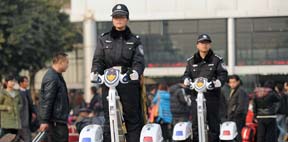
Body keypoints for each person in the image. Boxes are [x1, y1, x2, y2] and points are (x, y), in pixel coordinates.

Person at [90, 4, 145, 142]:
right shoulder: (103, 39)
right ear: (112, 20)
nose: (118, 20)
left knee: (132, 118)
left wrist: (136, 73)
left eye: (121, 17)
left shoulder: (134, 39)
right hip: (108, 82)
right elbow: (98, 60)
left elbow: (139, 61)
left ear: (127, 19)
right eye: (115, 17)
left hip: (127, 81)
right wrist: (95, 72)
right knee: (109, 119)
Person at [182, 34, 228, 142]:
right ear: (197, 45)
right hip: (196, 97)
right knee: (196, 125)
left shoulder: (217, 60)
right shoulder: (191, 61)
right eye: (202, 43)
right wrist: (186, 80)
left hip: (212, 97)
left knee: (213, 124)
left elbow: (223, 75)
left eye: (207, 43)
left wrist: (216, 83)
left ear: (210, 45)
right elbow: (186, 74)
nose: (204, 45)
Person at [39, 52, 70, 142]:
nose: (68, 65)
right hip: (55, 122)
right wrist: (44, 121)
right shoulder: (52, 77)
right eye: (67, 62)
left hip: (58, 121)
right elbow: (47, 101)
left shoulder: (56, 76)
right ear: (60, 62)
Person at [227, 75, 249, 141]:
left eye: (234, 82)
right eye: (230, 82)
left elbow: (241, 105)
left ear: (238, 82)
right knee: (234, 134)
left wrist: (235, 114)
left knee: (238, 134)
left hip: (238, 117)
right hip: (234, 116)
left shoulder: (240, 91)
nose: (232, 84)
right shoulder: (233, 90)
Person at [18, 76, 37, 142]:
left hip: (28, 120)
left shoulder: (27, 92)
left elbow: (31, 105)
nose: (27, 83)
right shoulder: (18, 93)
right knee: (27, 138)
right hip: (22, 121)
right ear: (21, 83)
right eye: (25, 81)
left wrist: (35, 113)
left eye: (27, 81)